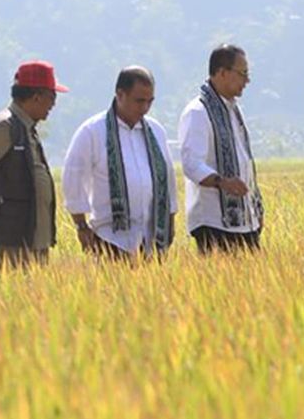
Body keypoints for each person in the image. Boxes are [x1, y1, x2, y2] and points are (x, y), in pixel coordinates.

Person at [0, 60, 68, 269]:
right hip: (14, 240)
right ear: (37, 96)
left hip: (32, 239)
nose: (54, 104)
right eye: (52, 97)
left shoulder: (26, 128)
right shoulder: (5, 128)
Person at [62, 66, 178, 259]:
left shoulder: (156, 131)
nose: (145, 108)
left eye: (150, 101)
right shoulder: (93, 131)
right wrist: (81, 226)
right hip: (109, 239)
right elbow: (73, 178)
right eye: (139, 101)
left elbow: (169, 178)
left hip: (151, 239)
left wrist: (170, 222)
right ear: (120, 94)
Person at [178, 44, 264, 253]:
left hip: (245, 222)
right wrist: (222, 182)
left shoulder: (234, 111)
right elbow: (191, 164)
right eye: (242, 74)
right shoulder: (198, 112)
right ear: (222, 73)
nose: (247, 80)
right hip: (214, 223)